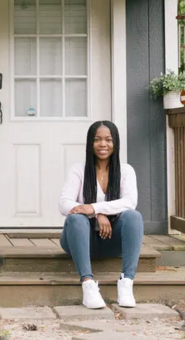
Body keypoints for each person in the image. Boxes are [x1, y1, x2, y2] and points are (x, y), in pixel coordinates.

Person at [58, 120, 143, 309]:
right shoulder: (79, 169)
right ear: (90, 143)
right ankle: (88, 285)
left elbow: (130, 202)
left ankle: (127, 283)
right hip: (79, 241)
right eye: (97, 140)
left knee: (133, 216)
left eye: (108, 140)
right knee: (76, 218)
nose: (103, 144)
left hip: (111, 241)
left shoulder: (126, 171)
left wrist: (96, 208)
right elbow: (64, 203)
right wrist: (97, 215)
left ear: (115, 143)